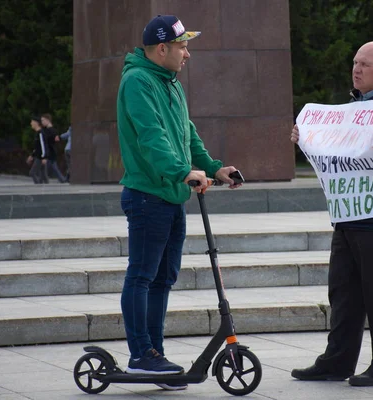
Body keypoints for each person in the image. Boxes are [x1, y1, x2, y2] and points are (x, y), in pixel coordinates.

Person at [116, 14, 241, 390]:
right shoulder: (137, 82)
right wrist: (182, 172)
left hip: (172, 197)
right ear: (161, 48)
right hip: (147, 195)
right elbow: (151, 138)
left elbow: (187, 134)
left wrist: (213, 169)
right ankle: (141, 354)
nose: (188, 54)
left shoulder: (170, 83)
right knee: (142, 275)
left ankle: (155, 354)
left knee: (163, 278)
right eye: (183, 46)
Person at [290, 41, 373, 387]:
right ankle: (337, 361)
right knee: (344, 293)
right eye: (355, 62)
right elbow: (340, 157)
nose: (356, 68)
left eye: (365, 63)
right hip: (349, 215)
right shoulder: (357, 105)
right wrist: (307, 142)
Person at [40, 113, 67, 183]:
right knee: (51, 167)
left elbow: (51, 141)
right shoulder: (47, 130)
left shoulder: (51, 131)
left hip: (50, 151)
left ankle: (62, 179)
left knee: (50, 167)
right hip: (50, 151)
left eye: (43, 120)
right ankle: (62, 179)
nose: (42, 122)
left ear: (48, 120)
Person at [27, 116, 49, 184]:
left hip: (40, 157)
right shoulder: (37, 133)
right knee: (43, 175)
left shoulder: (40, 133)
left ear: (36, 123)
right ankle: (46, 189)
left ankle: (38, 187)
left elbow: (43, 146)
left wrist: (44, 157)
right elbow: (37, 147)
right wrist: (32, 155)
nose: (31, 123)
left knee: (32, 173)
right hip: (39, 156)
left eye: (32, 122)